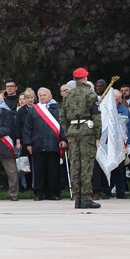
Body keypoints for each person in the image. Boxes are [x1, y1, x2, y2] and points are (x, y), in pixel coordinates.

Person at [61, 69, 100, 209]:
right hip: (87, 131)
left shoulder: (68, 95)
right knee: (86, 164)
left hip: (72, 131)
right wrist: (98, 135)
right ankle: (86, 198)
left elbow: (62, 116)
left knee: (75, 164)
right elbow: (96, 116)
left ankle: (77, 198)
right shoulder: (90, 94)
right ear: (85, 78)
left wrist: (68, 130)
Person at [24, 87, 62, 201]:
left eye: (44, 95)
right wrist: (28, 143)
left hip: (53, 143)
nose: (42, 97)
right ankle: (39, 192)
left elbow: (63, 125)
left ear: (50, 96)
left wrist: (63, 139)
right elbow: (27, 128)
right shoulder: (33, 110)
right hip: (38, 144)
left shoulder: (57, 109)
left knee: (53, 170)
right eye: (40, 95)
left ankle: (53, 193)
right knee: (39, 170)